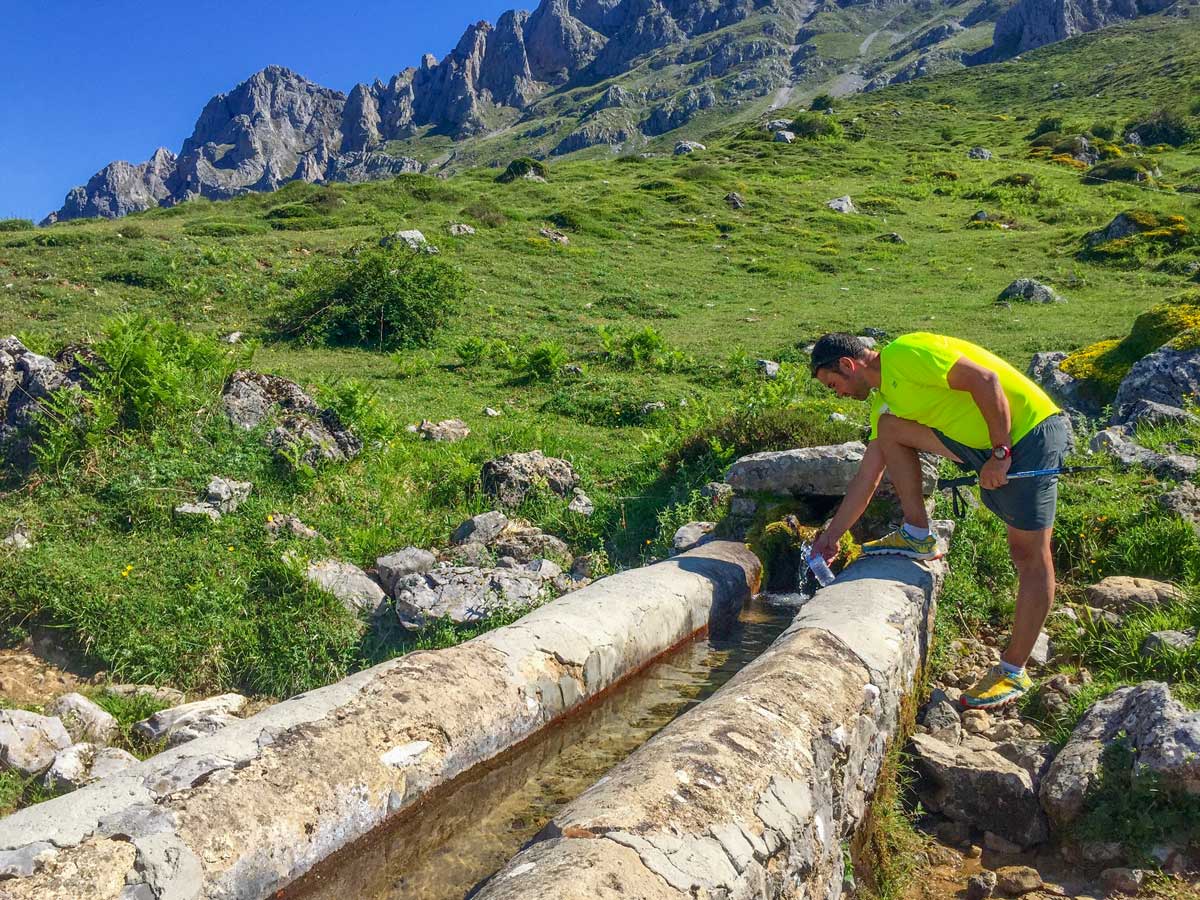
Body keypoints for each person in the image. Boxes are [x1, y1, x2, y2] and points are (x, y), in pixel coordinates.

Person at [808, 332, 1070, 709]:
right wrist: (832, 535)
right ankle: (917, 533)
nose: (839, 395)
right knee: (889, 432)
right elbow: (869, 475)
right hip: (982, 444)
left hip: (1026, 434)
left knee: (1028, 553)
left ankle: (1013, 671)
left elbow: (986, 380)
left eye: (834, 385)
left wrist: (1000, 452)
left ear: (848, 365)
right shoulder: (884, 401)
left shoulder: (905, 355)